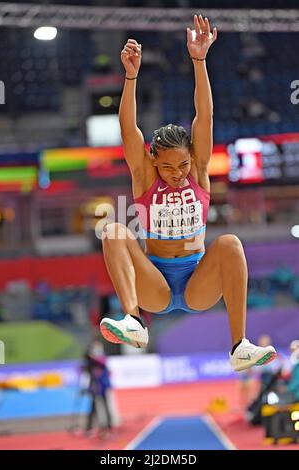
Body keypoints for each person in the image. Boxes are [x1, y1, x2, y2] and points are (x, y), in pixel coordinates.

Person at [99, 15, 276, 372]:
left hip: (197, 281)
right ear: (153, 160)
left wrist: (199, 61)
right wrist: (130, 78)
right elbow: (127, 128)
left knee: (229, 243)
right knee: (113, 231)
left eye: (182, 166)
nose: (177, 175)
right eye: (168, 168)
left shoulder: (197, 168)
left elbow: (204, 116)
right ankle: (134, 320)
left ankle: (240, 345)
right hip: (156, 284)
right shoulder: (143, 174)